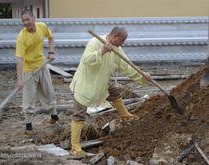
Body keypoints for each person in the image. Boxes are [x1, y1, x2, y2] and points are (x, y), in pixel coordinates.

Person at [69, 27, 151, 156]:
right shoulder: (94, 42)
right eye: (122, 40)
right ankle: (75, 146)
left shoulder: (117, 49)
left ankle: (125, 114)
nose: (122, 43)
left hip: (102, 82)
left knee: (114, 93)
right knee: (79, 113)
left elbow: (126, 65)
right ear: (114, 36)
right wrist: (102, 51)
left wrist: (142, 76)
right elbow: (86, 60)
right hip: (85, 84)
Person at [15, 9, 59, 136]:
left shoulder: (42, 26)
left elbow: (51, 38)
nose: (25, 22)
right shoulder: (21, 37)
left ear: (33, 18)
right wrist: (19, 79)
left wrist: (51, 52)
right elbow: (19, 59)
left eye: (27, 19)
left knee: (48, 91)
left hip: (42, 65)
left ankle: (54, 116)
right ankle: (28, 127)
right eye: (23, 21)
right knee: (29, 97)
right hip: (28, 69)